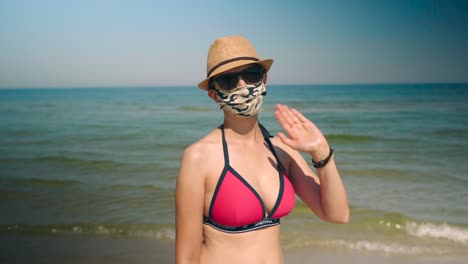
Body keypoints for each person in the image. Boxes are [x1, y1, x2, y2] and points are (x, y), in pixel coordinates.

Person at [176, 35, 349, 264]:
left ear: (264, 79)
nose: (242, 86)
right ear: (214, 94)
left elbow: (337, 215)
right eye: (228, 80)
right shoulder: (199, 157)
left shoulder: (281, 151)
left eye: (251, 75)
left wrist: (321, 153)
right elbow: (186, 258)